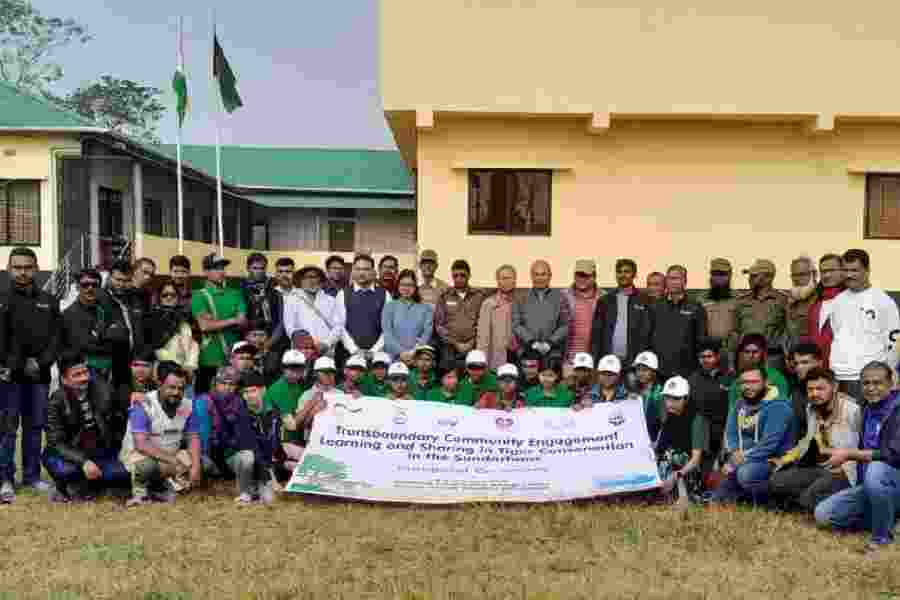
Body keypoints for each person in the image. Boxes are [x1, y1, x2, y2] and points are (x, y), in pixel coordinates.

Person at [815, 362, 900, 553]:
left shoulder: (897, 409)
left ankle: (881, 538)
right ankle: (889, 518)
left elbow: (893, 454)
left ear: (891, 383)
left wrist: (849, 454)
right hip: (870, 486)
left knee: (877, 469)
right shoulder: (865, 408)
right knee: (824, 515)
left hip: (892, 479)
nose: (871, 388)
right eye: (866, 383)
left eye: (878, 383)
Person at [0, 247, 61, 497]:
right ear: (8, 269)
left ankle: (32, 476)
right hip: (8, 376)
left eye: (27, 267)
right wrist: (16, 363)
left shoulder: (49, 300)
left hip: (39, 376)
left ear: (35, 268)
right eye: (17, 267)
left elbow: (57, 338)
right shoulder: (1, 299)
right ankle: (5, 479)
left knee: (35, 427)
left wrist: (42, 362)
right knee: (7, 429)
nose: (23, 272)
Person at [769, 368, 861, 513]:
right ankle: (808, 499)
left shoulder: (853, 410)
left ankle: (808, 501)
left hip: (844, 471)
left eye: (820, 388)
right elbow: (808, 440)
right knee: (776, 481)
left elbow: (862, 447)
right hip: (820, 468)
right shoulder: (811, 408)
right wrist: (786, 459)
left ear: (835, 387)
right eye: (810, 389)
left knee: (807, 499)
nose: (814, 394)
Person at [42, 353, 130, 503]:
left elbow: (118, 424)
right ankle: (67, 486)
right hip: (69, 454)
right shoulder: (55, 402)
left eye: (85, 372)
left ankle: (86, 486)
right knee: (67, 470)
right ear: (64, 380)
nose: (84, 378)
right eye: (77, 375)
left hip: (99, 452)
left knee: (121, 473)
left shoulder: (103, 392)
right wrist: (83, 461)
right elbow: (56, 443)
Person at [120, 362, 203, 506]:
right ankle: (147, 490)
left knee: (202, 463)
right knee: (147, 467)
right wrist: (173, 461)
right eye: (171, 387)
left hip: (171, 456)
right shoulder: (143, 404)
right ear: (159, 384)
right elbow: (141, 445)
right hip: (141, 456)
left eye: (181, 388)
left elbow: (193, 437)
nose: (176, 392)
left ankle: (165, 484)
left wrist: (195, 466)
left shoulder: (188, 405)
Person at [820, 249, 900, 400]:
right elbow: (838, 333)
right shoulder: (838, 301)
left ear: (867, 270)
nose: (849, 275)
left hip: (867, 379)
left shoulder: (883, 301)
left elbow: (894, 340)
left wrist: (886, 374)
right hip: (838, 375)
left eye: (855, 270)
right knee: (843, 423)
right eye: (845, 270)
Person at [713, 366, 794, 505]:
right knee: (717, 498)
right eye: (744, 382)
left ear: (766, 382)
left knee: (745, 474)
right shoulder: (740, 404)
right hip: (744, 458)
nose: (748, 386)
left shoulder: (779, 406)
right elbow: (731, 433)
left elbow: (769, 445)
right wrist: (733, 452)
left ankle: (776, 500)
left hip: (773, 461)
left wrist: (739, 460)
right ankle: (740, 497)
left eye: (754, 382)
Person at [209, 371, 279, 505]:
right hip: (237, 457)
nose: (249, 396)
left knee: (269, 499)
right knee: (248, 457)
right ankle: (244, 492)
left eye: (253, 391)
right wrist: (271, 478)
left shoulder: (273, 412)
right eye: (245, 392)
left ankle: (257, 486)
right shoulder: (239, 413)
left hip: (262, 462)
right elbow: (252, 447)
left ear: (263, 390)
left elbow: (273, 444)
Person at [192, 254, 248, 395]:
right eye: (216, 268)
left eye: (222, 268)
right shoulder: (199, 295)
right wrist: (232, 320)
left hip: (234, 359)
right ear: (206, 272)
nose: (221, 271)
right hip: (209, 359)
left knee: (234, 402)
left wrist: (217, 323)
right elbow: (204, 326)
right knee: (207, 403)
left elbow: (242, 321)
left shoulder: (235, 293)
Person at [61, 268, 126, 384]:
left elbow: (123, 335)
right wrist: (106, 337)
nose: (90, 288)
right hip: (82, 375)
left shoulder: (109, 310)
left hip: (112, 373)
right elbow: (81, 346)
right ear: (77, 287)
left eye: (94, 285)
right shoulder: (68, 315)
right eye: (85, 285)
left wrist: (99, 337)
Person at [655, 376, 708, 503]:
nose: (670, 403)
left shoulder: (697, 419)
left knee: (676, 456)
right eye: (667, 398)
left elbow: (695, 460)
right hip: (666, 467)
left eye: (676, 399)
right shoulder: (669, 417)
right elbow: (658, 447)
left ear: (686, 398)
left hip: (686, 472)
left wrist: (677, 475)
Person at [592, 258, 654, 366]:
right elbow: (596, 333)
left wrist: (643, 360)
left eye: (627, 271)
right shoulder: (605, 300)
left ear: (634, 274)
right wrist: (596, 359)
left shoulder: (645, 300)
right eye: (619, 272)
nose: (622, 275)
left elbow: (648, 333)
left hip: (635, 362)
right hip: (608, 361)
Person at [651, 265, 707, 378]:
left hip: (686, 370)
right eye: (669, 278)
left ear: (684, 281)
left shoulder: (695, 307)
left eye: (676, 278)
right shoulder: (656, 306)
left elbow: (701, 340)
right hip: (659, 370)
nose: (672, 282)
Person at [735, 259, 789, 372]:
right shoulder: (741, 301)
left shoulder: (782, 300)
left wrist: (788, 356)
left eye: (754, 276)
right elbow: (735, 331)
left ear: (768, 278)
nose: (750, 279)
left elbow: (788, 332)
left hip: (772, 359)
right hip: (746, 359)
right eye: (750, 276)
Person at [434, 259, 487, 372]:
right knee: (449, 376)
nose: (459, 278)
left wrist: (471, 342)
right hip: (450, 346)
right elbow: (439, 325)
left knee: (474, 376)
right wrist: (456, 343)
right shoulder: (444, 296)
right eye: (455, 275)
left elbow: (483, 322)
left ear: (469, 275)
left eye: (462, 275)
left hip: (474, 344)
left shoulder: (479, 296)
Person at [512, 260, 571, 362]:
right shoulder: (520, 297)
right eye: (536, 274)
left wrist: (550, 343)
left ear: (550, 276)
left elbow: (565, 325)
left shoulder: (561, 297)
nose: (539, 278)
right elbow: (516, 324)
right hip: (527, 353)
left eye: (543, 274)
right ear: (531, 276)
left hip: (553, 354)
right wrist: (532, 342)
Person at [688, 339, 733, 469]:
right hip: (700, 435)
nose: (705, 360)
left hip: (722, 432)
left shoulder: (727, 377)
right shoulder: (693, 379)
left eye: (709, 356)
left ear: (717, 357)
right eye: (702, 357)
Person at [282, 265, 345, 358]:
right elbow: (289, 327)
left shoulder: (331, 300)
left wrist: (327, 343)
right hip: (301, 352)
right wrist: (304, 343)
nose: (311, 281)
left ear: (320, 280)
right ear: (301, 280)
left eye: (314, 277)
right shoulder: (292, 299)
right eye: (307, 277)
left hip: (326, 352)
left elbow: (338, 326)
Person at [338, 254, 389, 366]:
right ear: (353, 271)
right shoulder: (343, 294)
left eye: (366, 269)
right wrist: (355, 350)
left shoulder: (385, 294)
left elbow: (388, 327)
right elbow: (339, 326)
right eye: (358, 269)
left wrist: (374, 351)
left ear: (373, 271)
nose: (362, 273)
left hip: (377, 357)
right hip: (349, 355)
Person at [105, 260, 147, 387]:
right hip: (109, 364)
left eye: (126, 281)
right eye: (118, 280)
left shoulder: (134, 298)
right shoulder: (100, 299)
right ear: (109, 277)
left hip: (132, 361)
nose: (121, 284)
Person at [146, 279, 198, 381]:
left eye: (173, 295)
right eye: (165, 295)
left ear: (178, 297)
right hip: (161, 369)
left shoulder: (187, 316)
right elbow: (151, 346)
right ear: (159, 297)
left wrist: (190, 366)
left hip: (185, 370)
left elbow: (193, 344)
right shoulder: (150, 317)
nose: (169, 297)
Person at [727, 334, 790, 417]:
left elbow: (782, 408)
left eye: (755, 352)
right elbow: (732, 412)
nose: (751, 355)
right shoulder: (737, 381)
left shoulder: (776, 377)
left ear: (763, 353)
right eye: (747, 352)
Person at [193, 366, 240, 471]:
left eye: (231, 384)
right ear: (215, 384)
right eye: (223, 383)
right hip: (207, 452)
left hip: (227, 451)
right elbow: (203, 435)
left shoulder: (237, 401)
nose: (227, 387)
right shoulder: (203, 401)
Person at [382, 269, 434, 362]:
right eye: (403, 284)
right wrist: (401, 352)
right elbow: (387, 334)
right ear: (398, 285)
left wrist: (413, 353)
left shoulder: (426, 309)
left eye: (410, 285)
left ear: (415, 287)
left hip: (417, 359)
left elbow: (426, 333)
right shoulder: (389, 307)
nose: (406, 288)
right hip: (393, 358)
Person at [291, 356, 340, 446]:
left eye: (332, 372)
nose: (329, 375)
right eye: (324, 372)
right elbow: (300, 425)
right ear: (315, 374)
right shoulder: (306, 395)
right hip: (313, 442)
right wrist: (313, 409)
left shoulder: (341, 394)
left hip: (336, 441)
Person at [477, 264, 518, 370]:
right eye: (503, 278)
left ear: (515, 280)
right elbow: (483, 338)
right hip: (497, 358)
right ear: (497, 281)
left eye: (510, 278)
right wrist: (481, 362)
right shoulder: (489, 304)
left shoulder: (521, 302)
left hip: (517, 356)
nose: (506, 281)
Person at [699, 258, 738, 367]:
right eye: (715, 274)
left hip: (731, 353)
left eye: (723, 274)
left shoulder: (738, 299)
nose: (719, 278)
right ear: (711, 276)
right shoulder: (701, 299)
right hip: (707, 352)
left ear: (730, 276)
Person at [564, 260, 604, 365]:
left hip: (595, 359)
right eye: (578, 275)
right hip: (569, 358)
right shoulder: (563, 296)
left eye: (585, 275)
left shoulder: (604, 297)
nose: (581, 279)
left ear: (594, 276)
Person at [808, 253, 844, 367]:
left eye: (832, 270)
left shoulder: (853, 299)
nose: (827, 275)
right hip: (817, 367)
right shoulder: (815, 301)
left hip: (843, 368)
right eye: (823, 271)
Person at [240, 252, 283, 345]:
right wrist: (246, 337)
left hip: (270, 340)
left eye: (262, 268)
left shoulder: (275, 291)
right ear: (248, 268)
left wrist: (269, 343)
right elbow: (236, 318)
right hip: (245, 340)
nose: (259, 271)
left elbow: (280, 322)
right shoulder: (239, 290)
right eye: (255, 268)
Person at [787, 341, 825, 439]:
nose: (799, 367)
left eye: (805, 362)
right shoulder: (796, 393)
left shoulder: (834, 391)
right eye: (796, 363)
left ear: (820, 363)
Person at [264, 350, 309, 426]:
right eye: (291, 369)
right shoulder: (278, 389)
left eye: (299, 370)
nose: (295, 374)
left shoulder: (297, 384)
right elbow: (291, 422)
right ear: (283, 369)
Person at [786, 256, 820, 355]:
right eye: (794, 275)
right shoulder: (790, 299)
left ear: (814, 274)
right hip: (796, 357)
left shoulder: (823, 297)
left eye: (802, 274)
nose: (797, 279)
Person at [632, 351, 663, 438]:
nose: (640, 373)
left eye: (645, 370)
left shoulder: (660, 394)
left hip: (653, 443)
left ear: (654, 372)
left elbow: (664, 424)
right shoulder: (632, 392)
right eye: (638, 369)